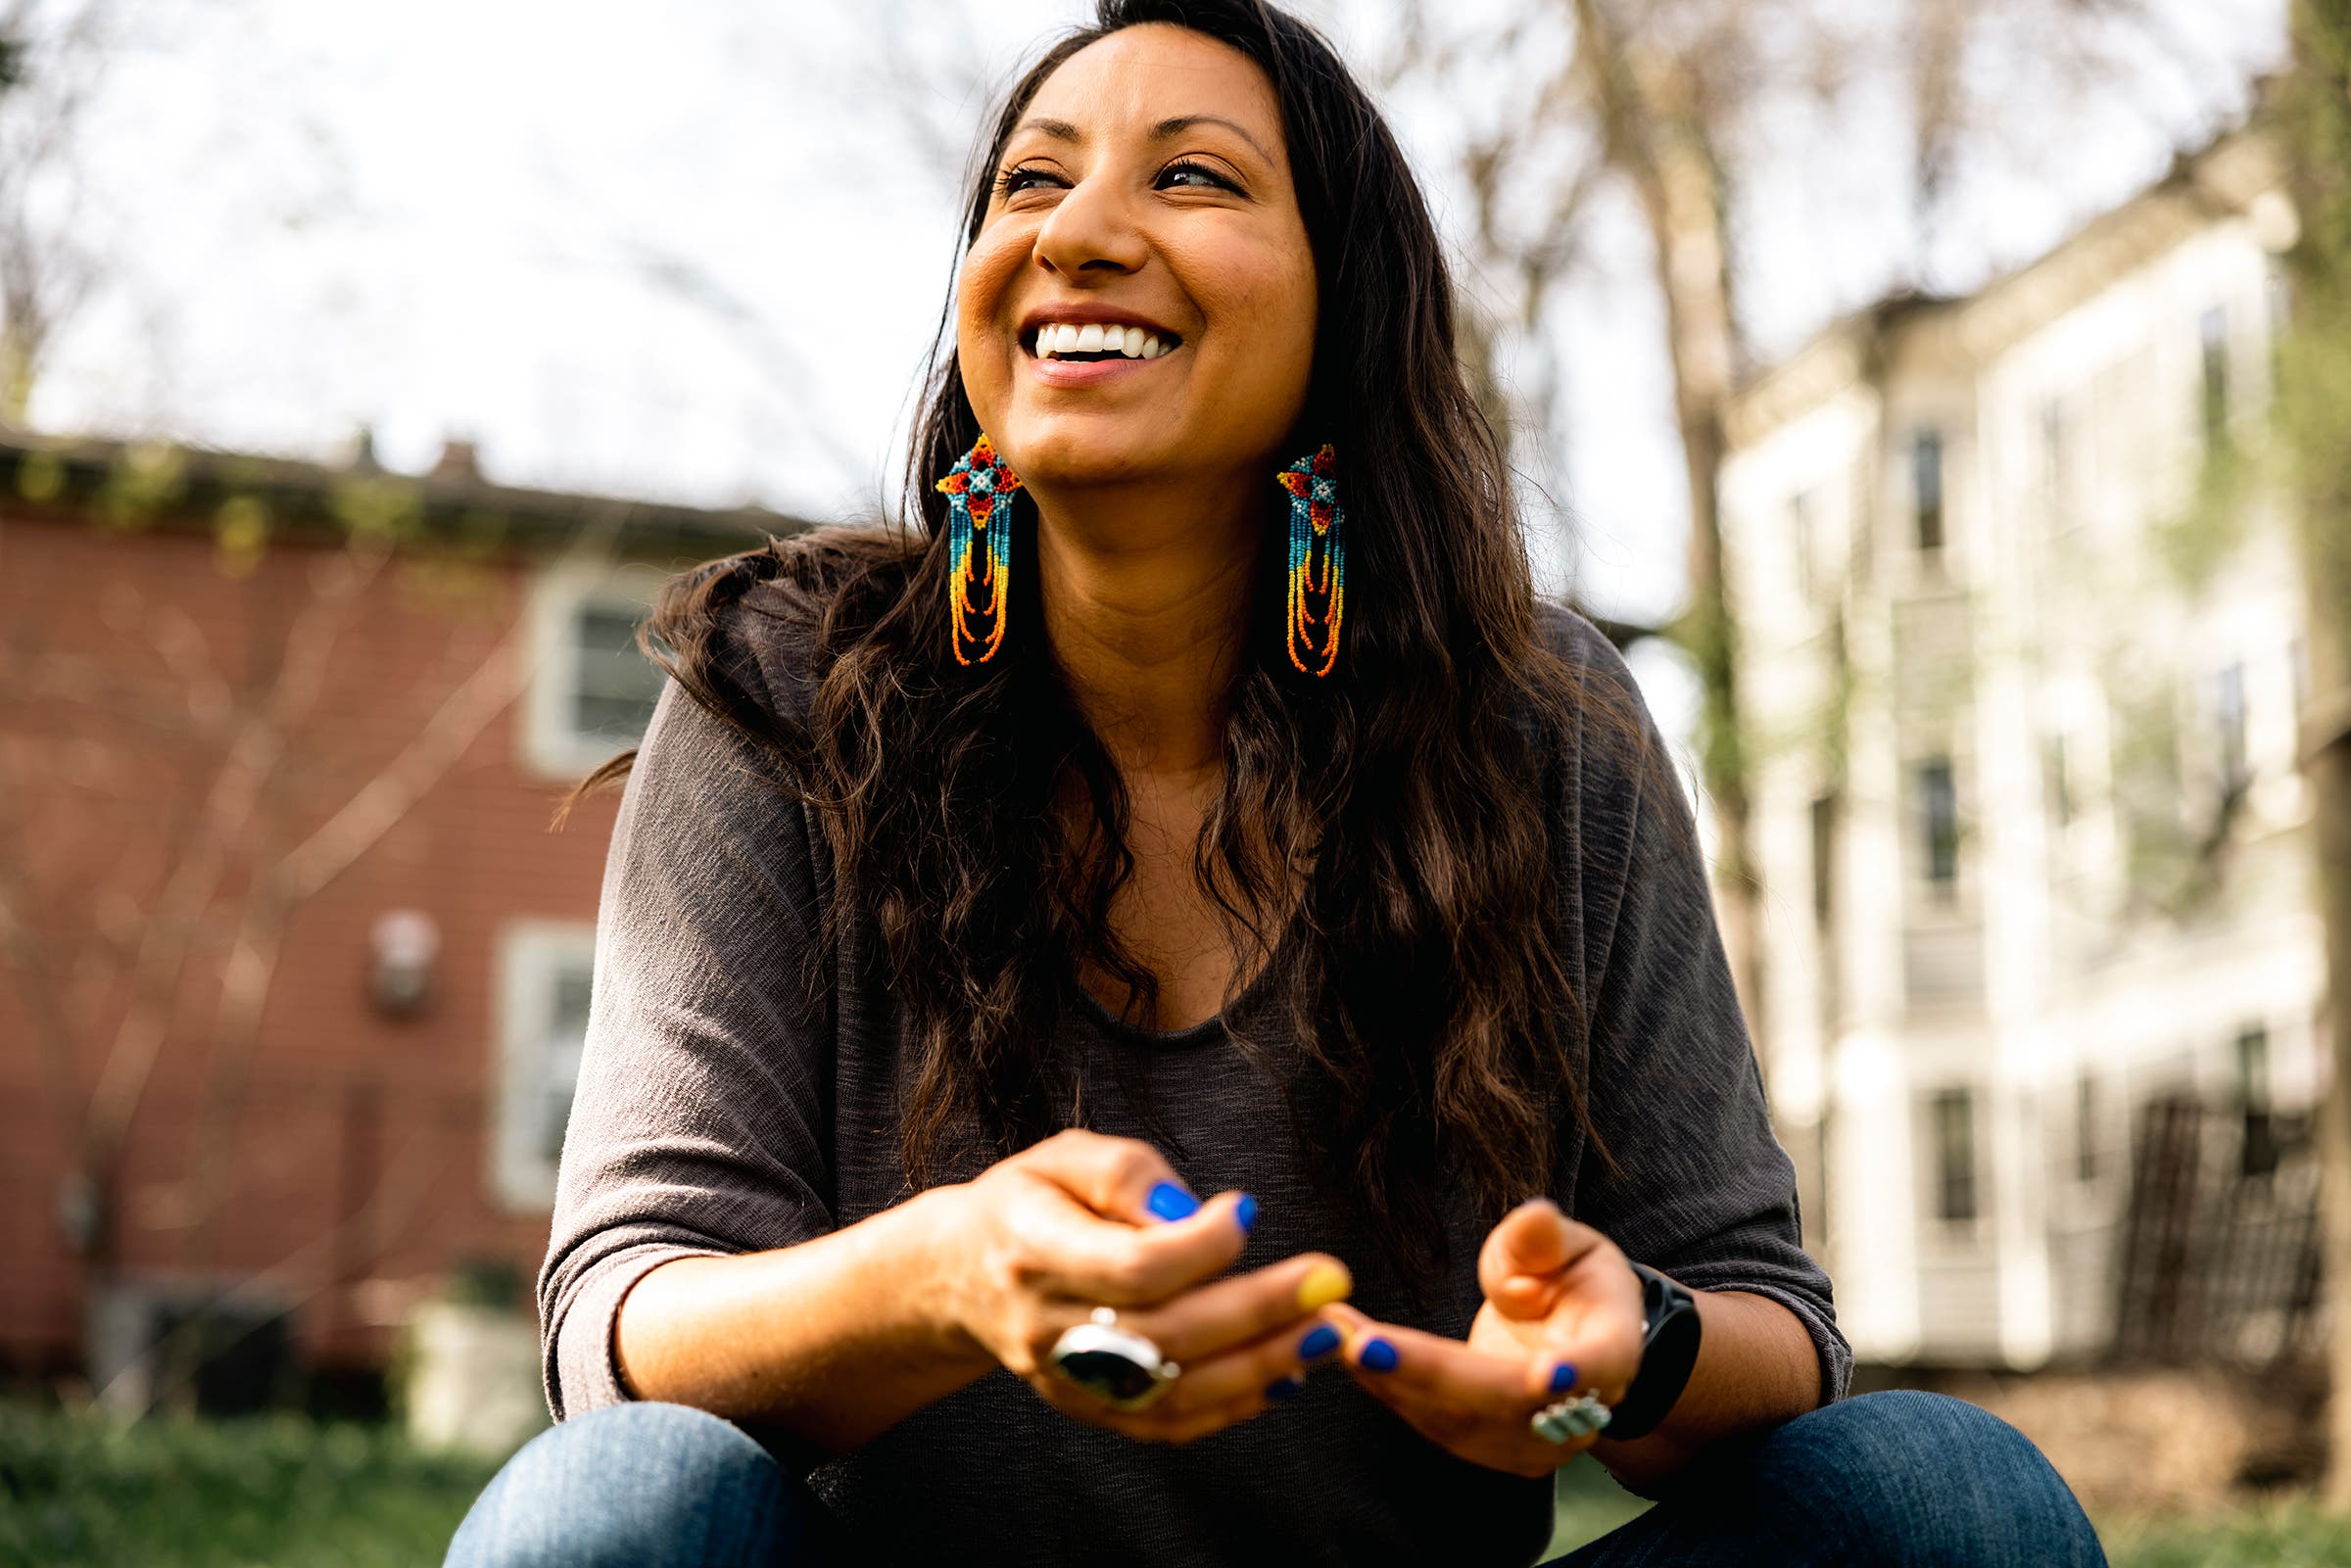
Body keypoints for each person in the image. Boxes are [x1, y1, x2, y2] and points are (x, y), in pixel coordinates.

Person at [445, 2, 2107, 1563]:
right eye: (1033, 181)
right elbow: (622, 1320)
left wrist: (1633, 1345)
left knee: (1944, 1500)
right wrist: (947, 1274)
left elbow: (1768, 1318)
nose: (1078, 230)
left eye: (1190, 174)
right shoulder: (791, 693)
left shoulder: (1543, 725)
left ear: (1343, 312)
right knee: (615, 1504)